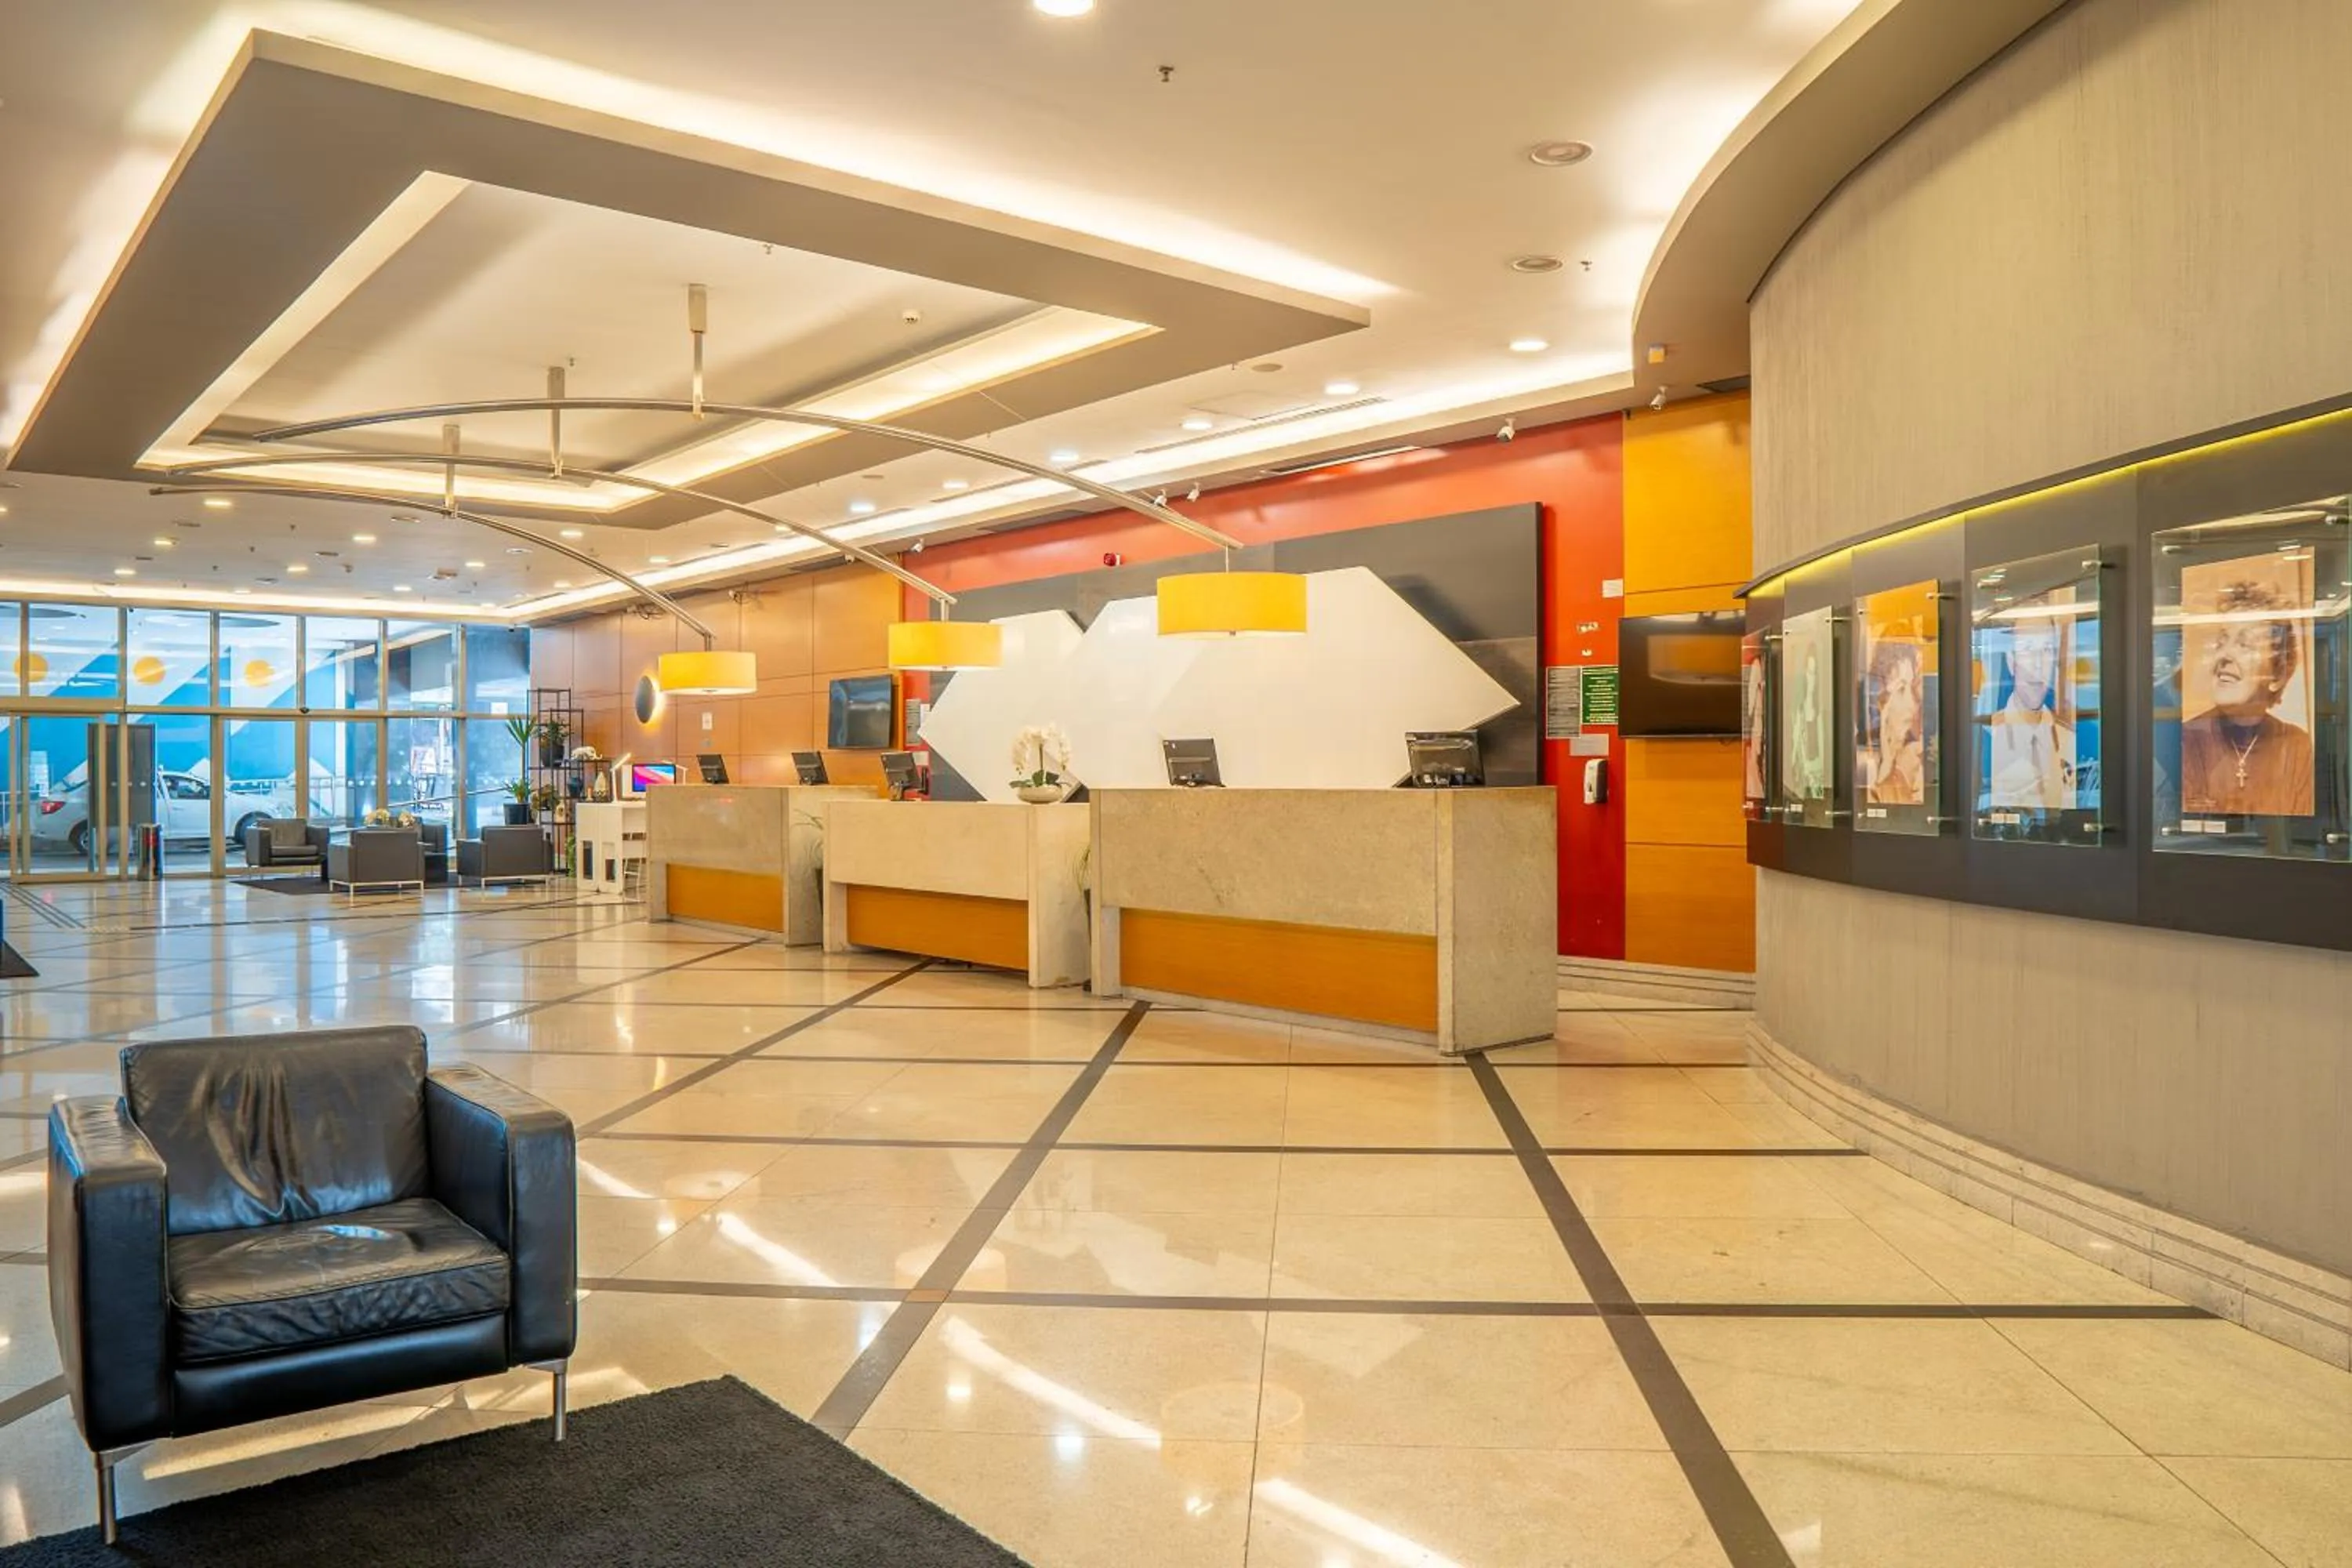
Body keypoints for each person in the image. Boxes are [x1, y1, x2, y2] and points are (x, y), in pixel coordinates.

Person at [2178, 579, 2314, 816]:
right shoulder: (2186, 739)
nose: (2225, 655)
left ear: (2277, 675)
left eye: (2245, 645)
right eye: (2221, 642)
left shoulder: (2296, 745)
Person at [1984, 615, 2074, 808]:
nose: (2039, 665)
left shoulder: (2070, 739)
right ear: (2011, 661)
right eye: (2027, 650)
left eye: (2047, 650)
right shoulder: (1987, 736)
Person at [1860, 635, 1926, 805]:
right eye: (1901, 690)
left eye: (1908, 688)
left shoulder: (1917, 753)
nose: (1911, 703)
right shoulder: (1873, 768)